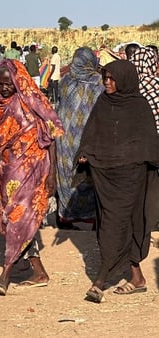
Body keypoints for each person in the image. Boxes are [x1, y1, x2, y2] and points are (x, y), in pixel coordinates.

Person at [76, 60, 159, 303]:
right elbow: (92, 133)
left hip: (131, 175)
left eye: (112, 79)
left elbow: (148, 143)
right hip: (106, 175)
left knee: (116, 224)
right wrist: (85, 152)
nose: (107, 83)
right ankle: (137, 278)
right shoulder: (103, 102)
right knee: (118, 224)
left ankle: (100, 281)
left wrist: (135, 158)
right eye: (105, 78)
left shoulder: (139, 106)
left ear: (125, 79)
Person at [0, 59, 64, 296]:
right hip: (11, 171)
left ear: (19, 80)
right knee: (19, 221)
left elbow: (51, 138)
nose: (5, 87)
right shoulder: (0, 103)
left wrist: (53, 176)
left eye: (9, 83)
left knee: (19, 220)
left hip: (34, 169)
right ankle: (38, 271)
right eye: (1, 84)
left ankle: (5, 274)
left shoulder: (33, 101)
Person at [55, 47, 105, 228]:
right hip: (90, 138)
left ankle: (66, 217)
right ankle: (91, 218)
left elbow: (59, 108)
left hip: (65, 140)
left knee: (67, 174)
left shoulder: (65, 81)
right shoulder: (100, 83)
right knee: (88, 177)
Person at [129, 47, 159, 231]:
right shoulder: (157, 84)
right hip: (156, 141)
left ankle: (141, 222)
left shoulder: (128, 86)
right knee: (154, 184)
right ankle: (153, 222)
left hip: (135, 145)